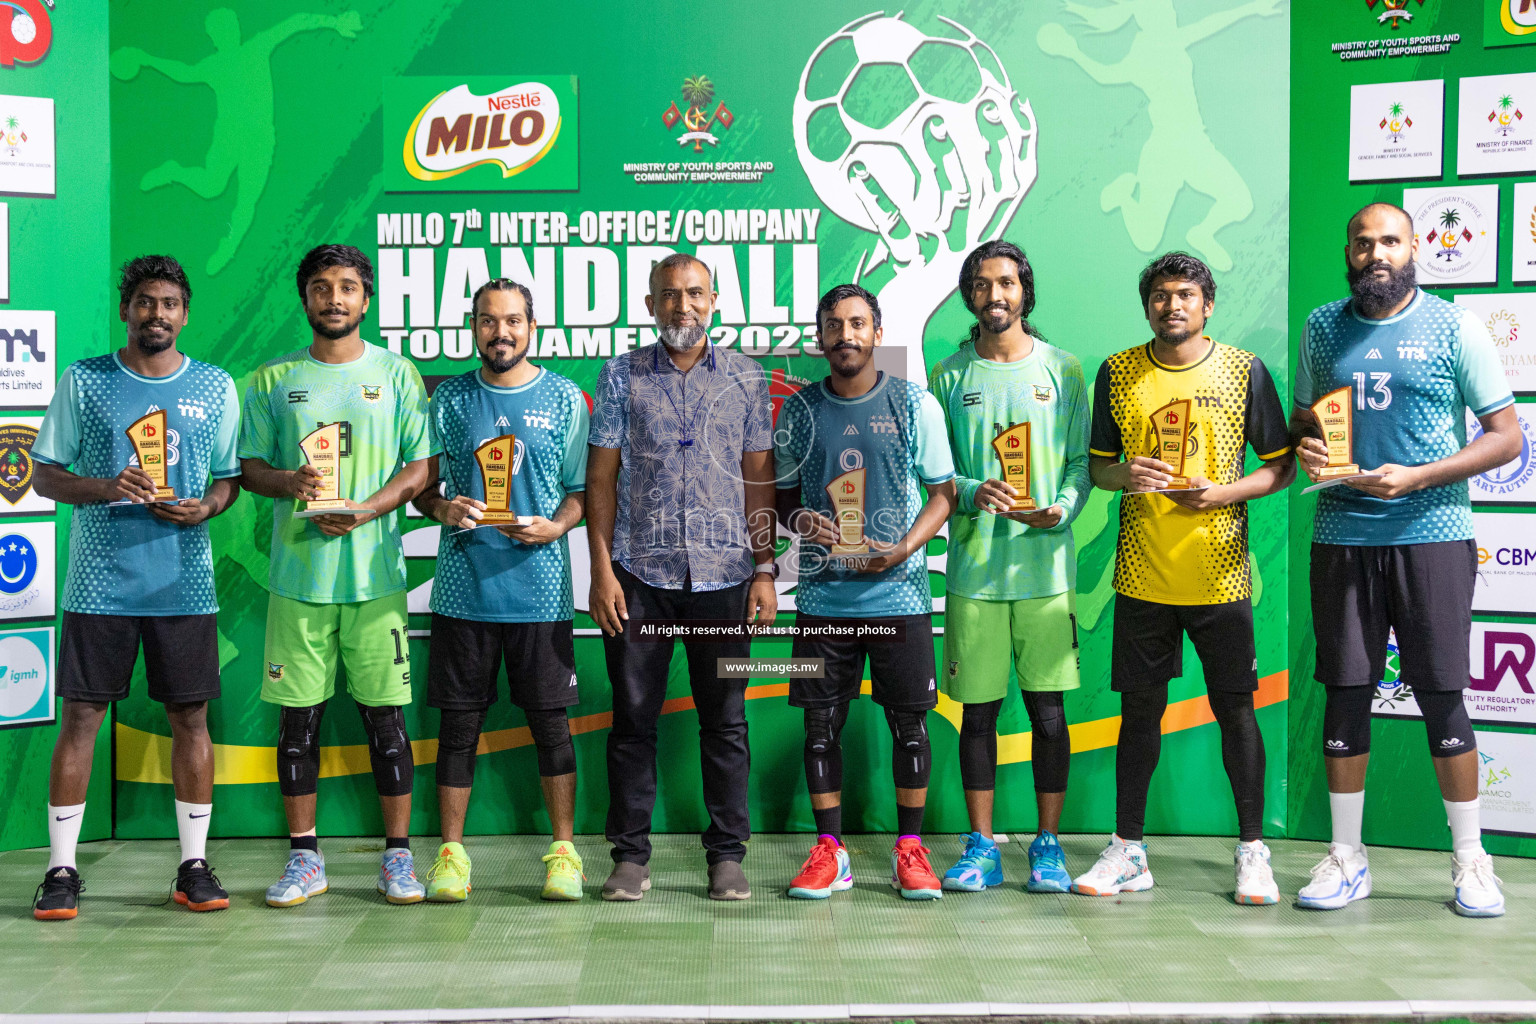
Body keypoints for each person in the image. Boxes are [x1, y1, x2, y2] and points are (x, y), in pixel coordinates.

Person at [1290, 203, 1519, 917]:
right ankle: (1346, 858)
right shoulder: (1323, 326)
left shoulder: (1454, 325)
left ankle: (1471, 862)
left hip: (1433, 533)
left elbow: (1506, 437)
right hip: (1344, 533)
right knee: (1347, 691)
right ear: (1349, 252)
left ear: (1414, 247)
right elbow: (1307, 419)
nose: (1375, 253)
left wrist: (1417, 476)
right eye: (1363, 242)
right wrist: (1309, 447)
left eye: (1389, 240)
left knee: (1443, 692)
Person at [1077, 251, 1292, 905]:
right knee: (1138, 715)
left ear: (1208, 303)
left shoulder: (1242, 370)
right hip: (1143, 577)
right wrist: (1127, 475)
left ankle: (1253, 852)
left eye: (1186, 294)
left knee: (1235, 712)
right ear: (1148, 305)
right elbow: (1099, 468)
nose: (1173, 305)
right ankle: (1128, 850)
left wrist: (1225, 493)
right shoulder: (1117, 372)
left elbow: (1281, 467)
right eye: (1162, 295)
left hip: (1221, 579)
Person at [30, 255, 241, 920]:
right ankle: (61, 870)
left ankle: (193, 866)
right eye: (145, 302)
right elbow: (44, 475)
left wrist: (206, 507)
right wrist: (105, 487)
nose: (157, 314)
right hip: (100, 587)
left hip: (185, 586)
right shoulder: (85, 381)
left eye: (170, 303)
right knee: (83, 720)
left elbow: (228, 478)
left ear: (185, 314)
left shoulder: (214, 386)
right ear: (126, 310)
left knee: (191, 720)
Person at [238, 244, 436, 907]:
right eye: (321, 287)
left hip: (377, 582)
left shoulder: (398, 374)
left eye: (347, 287)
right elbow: (248, 469)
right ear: (305, 299)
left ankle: (399, 860)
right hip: (299, 580)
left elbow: (421, 467)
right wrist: (291, 481)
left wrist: (369, 509)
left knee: (388, 724)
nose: (334, 298)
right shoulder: (272, 382)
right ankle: (304, 861)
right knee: (299, 727)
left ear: (365, 298)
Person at [587, 252, 777, 901]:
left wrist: (765, 570)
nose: (683, 306)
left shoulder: (748, 379)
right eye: (670, 295)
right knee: (632, 718)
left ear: (716, 300)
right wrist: (602, 570)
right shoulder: (621, 376)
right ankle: (630, 858)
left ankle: (727, 856)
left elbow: (758, 479)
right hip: (641, 574)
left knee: (725, 720)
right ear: (649, 305)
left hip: (725, 575)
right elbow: (601, 478)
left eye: (695, 293)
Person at [776, 284, 957, 900]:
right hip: (823, 601)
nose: (845, 335)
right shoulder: (798, 411)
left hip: (899, 599)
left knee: (910, 727)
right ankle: (830, 851)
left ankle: (911, 849)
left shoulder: (914, 404)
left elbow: (943, 493)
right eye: (833, 325)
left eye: (857, 323)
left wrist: (904, 549)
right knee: (820, 728)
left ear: (877, 332)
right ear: (820, 335)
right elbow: (780, 504)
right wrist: (804, 522)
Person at [412, 279, 589, 902]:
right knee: (458, 730)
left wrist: (556, 525)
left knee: (551, 727)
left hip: (540, 595)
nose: (501, 332)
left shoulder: (565, 398)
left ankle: (563, 854)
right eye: (488, 322)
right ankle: (452, 858)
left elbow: (581, 492)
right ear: (474, 329)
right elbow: (421, 487)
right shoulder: (451, 399)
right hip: (465, 593)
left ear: (532, 327)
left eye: (513, 320)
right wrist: (442, 509)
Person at [927, 240, 1092, 894]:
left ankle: (1048, 846)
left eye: (1006, 283)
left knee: (1049, 712)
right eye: (981, 285)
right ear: (969, 296)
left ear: (1025, 289)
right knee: (978, 716)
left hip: (1046, 576)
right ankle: (980, 846)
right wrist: (972, 492)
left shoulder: (1065, 371)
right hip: (973, 575)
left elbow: (1081, 463)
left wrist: (1061, 508)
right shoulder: (947, 376)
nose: (995, 295)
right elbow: (936, 475)